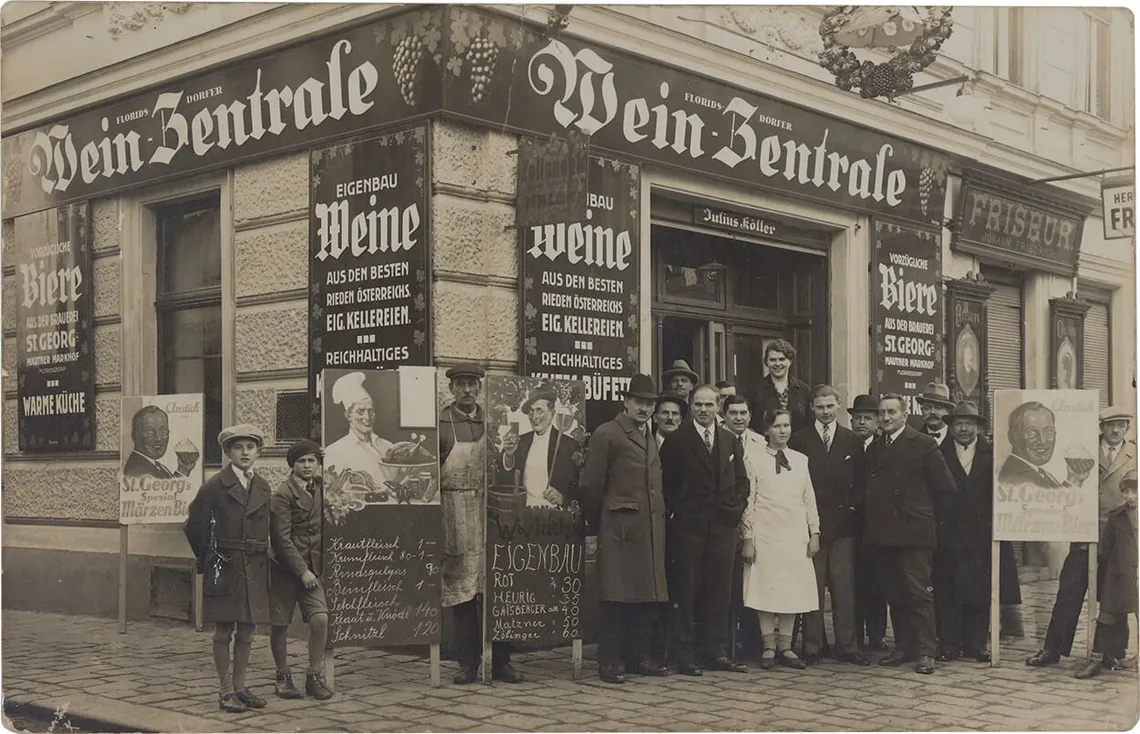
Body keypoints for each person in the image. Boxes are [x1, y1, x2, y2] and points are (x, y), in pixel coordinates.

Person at [578, 374, 671, 684]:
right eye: (639, 402)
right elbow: (590, 485)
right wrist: (600, 521)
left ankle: (637, 657)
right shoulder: (608, 433)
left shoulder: (648, 435)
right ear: (626, 402)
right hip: (619, 528)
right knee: (616, 597)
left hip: (648, 529)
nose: (644, 408)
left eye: (649, 403)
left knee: (644, 596)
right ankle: (610, 661)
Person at [1027, 405, 1136, 667]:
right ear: (1101, 427)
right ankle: (1052, 649)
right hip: (1084, 531)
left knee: (1114, 595)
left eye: (1121, 425)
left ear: (1127, 428)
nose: (1115, 430)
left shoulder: (1135, 454)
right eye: (1110, 425)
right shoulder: (1083, 448)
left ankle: (1111, 652)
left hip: (1118, 536)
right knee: (1069, 590)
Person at [438, 364, 522, 684]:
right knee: (463, 591)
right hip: (455, 512)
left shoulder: (493, 422)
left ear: (479, 388)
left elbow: (507, 466)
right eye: (461, 384)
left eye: (472, 384)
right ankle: (467, 663)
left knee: (496, 588)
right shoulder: (441, 424)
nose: (467, 390)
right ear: (451, 389)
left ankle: (501, 661)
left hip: (490, 511)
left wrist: (509, 454)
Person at [864, 394, 956, 675]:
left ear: (905, 415)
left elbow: (945, 489)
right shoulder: (875, 448)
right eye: (882, 413)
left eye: (892, 412)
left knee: (918, 593)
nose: (886, 417)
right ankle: (904, 647)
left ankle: (927, 651)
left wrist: (926, 522)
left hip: (914, 533)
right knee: (895, 593)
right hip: (885, 533)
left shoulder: (923, 444)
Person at [661, 384, 750, 675]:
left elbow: (742, 482)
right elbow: (667, 486)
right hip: (689, 529)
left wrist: (735, 509)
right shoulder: (677, 441)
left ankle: (716, 651)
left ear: (718, 407)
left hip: (723, 528)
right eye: (698, 404)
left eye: (709, 405)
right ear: (691, 405)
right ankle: (685, 654)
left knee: (719, 591)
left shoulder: (729, 440)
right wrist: (681, 514)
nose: (703, 410)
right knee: (686, 591)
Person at [183, 424, 273, 713]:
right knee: (224, 630)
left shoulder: (262, 486)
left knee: (248, 629)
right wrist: (209, 558)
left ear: (258, 452)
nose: (245, 452)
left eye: (251, 447)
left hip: (254, 566)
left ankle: (240, 687)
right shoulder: (214, 486)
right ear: (227, 452)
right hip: (226, 566)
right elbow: (194, 525)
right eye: (238, 447)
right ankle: (225, 692)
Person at [789, 385, 868, 666]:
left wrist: (851, 511)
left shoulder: (852, 440)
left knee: (844, 588)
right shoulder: (799, 440)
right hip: (811, 527)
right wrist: (809, 523)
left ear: (838, 406)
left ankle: (847, 646)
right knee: (812, 586)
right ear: (812, 407)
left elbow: (861, 483)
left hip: (844, 527)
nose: (825, 411)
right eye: (820, 407)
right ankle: (812, 646)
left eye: (830, 406)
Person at [935, 401, 1019, 663]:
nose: (963, 429)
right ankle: (949, 643)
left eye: (968, 424)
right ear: (951, 427)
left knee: (980, 591)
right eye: (958, 424)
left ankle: (975, 643)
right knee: (947, 589)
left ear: (978, 427)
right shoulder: (938, 453)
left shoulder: (993, 455)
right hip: (948, 535)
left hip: (981, 535)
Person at [740, 408, 821, 670]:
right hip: (765, 534)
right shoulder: (753, 459)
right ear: (766, 430)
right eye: (776, 426)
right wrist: (748, 538)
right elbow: (748, 501)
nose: (782, 431)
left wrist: (814, 532)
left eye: (786, 426)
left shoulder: (801, 460)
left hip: (794, 535)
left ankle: (786, 646)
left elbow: (809, 499)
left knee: (791, 588)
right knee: (765, 587)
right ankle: (768, 645)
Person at [268, 439, 332, 701]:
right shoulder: (282, 495)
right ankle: (282, 676)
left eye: (311, 461)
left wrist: (330, 456)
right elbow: (281, 539)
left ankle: (314, 676)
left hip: (313, 568)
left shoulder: (321, 487)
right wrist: (302, 571)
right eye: (301, 461)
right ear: (292, 465)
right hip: (285, 569)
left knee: (320, 619)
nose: (307, 466)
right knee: (280, 624)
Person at [1075, 469, 1138, 679]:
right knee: (1106, 615)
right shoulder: (1116, 517)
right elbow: (1106, 548)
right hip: (1119, 573)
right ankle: (1096, 660)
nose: (1130, 496)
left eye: (1135, 491)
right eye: (1126, 491)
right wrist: (1114, 569)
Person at [848, 394, 887, 651]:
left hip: (877, 526)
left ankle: (876, 635)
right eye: (858, 418)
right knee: (852, 583)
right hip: (850, 525)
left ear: (877, 421)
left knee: (876, 583)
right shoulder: (845, 444)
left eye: (868, 418)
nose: (862, 422)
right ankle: (854, 636)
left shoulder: (884, 447)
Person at [498, 389, 579, 508]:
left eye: (539, 411)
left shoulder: (569, 445)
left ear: (552, 413)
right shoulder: (521, 442)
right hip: (523, 511)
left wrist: (564, 499)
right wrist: (509, 456)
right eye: (531, 412)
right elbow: (505, 482)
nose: (534, 417)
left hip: (554, 513)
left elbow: (581, 487)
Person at [324, 371, 397, 490]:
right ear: (348, 415)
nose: (367, 417)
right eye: (360, 412)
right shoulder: (334, 451)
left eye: (371, 411)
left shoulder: (388, 446)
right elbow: (334, 492)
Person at [997, 402, 1094, 489]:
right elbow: (1055, 503)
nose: (1043, 441)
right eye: (1032, 433)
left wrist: (1074, 479)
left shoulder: (1032, 471)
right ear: (1012, 437)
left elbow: (1055, 497)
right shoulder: (1017, 478)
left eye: (1048, 432)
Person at [748, 339, 811, 434]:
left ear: (790, 361)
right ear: (766, 362)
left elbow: (810, 422)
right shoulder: (754, 391)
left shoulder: (804, 390)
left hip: (799, 442)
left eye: (782, 359)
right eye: (773, 360)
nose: (777, 364)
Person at [123, 406, 197, 478]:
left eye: (163, 431)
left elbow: (168, 484)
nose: (158, 438)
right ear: (135, 435)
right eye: (150, 431)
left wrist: (183, 470)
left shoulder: (153, 464)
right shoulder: (138, 470)